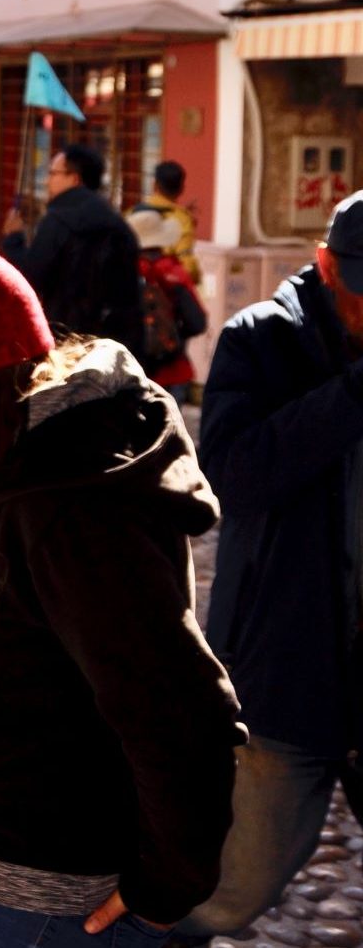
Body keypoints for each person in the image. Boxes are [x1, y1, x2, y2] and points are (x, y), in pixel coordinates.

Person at [0, 238, 242, 948]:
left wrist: (167, 886)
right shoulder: (34, 470)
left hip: (49, 897)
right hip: (23, 880)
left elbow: (178, 705)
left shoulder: (69, 507)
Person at [175, 191, 363, 940]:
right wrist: (353, 393)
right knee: (223, 887)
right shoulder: (260, 340)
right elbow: (232, 473)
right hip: (284, 671)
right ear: (326, 266)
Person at [3, 142, 144, 358]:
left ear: (74, 178)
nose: (47, 180)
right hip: (115, 342)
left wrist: (13, 240)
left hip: (66, 338)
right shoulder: (117, 223)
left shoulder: (57, 221)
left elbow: (31, 276)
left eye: (53, 173)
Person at [127, 208, 208, 405]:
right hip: (174, 372)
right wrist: (172, 337)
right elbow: (197, 322)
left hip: (134, 372)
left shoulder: (125, 272)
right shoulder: (173, 271)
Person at [135, 160, 202, 287]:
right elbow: (188, 268)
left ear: (154, 184)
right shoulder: (182, 220)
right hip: (164, 292)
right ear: (181, 189)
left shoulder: (133, 212)